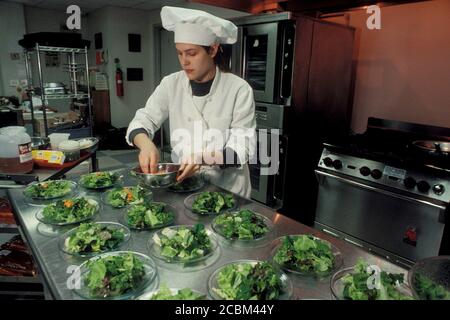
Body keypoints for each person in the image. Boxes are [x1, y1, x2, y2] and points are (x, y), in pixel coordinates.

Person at [126, 6, 256, 198]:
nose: (184, 61)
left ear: (212, 50)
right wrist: (145, 144)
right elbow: (143, 119)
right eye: (179, 53)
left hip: (228, 190)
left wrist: (202, 157)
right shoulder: (171, 84)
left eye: (191, 53)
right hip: (184, 185)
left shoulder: (238, 89)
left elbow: (242, 149)